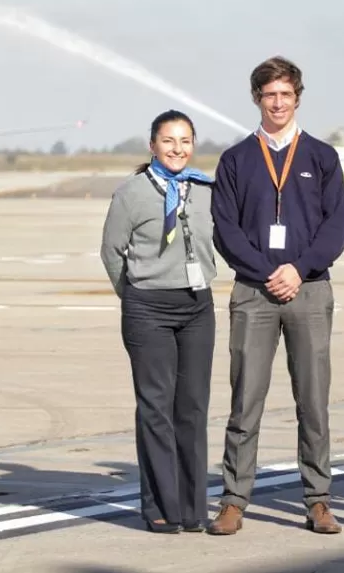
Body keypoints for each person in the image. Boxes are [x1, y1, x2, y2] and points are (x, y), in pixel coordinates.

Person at [206, 56, 344, 536]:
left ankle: (318, 499)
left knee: (313, 399)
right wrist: (268, 271)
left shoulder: (322, 157)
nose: (278, 103)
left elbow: (337, 225)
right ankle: (233, 500)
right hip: (253, 292)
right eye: (270, 95)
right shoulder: (235, 159)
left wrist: (299, 268)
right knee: (245, 399)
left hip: (309, 290)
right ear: (257, 99)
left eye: (286, 94)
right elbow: (225, 229)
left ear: (297, 98)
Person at [99, 109, 218, 534]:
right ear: (153, 145)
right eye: (168, 141)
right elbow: (112, 253)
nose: (177, 149)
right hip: (148, 308)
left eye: (185, 141)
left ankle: (192, 506)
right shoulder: (131, 193)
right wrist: (135, 295)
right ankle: (160, 507)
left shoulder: (205, 189)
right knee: (156, 409)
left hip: (197, 308)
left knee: (193, 408)